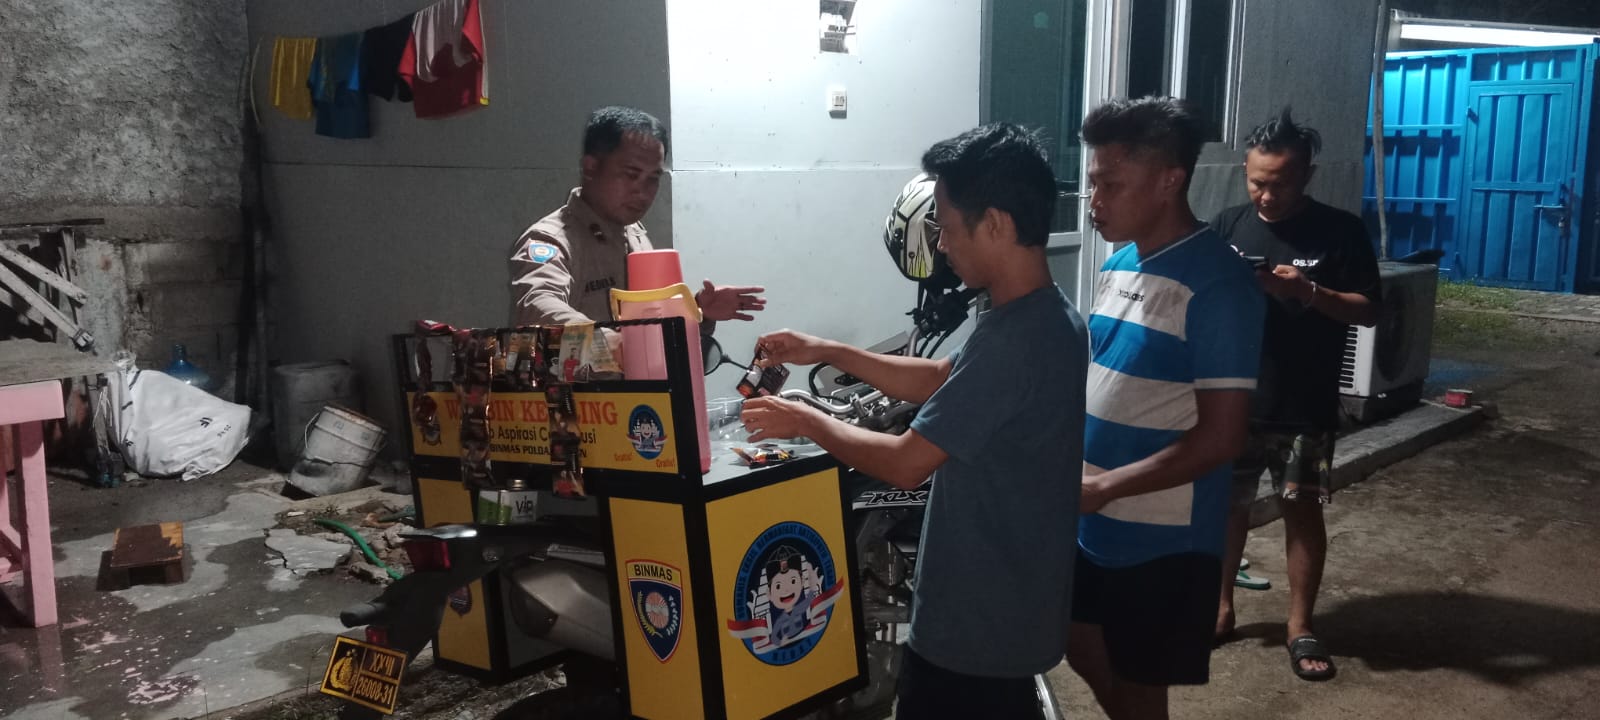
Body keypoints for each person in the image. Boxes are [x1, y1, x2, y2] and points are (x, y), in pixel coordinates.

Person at [739, 123, 1088, 718]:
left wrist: (805, 421)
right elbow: (939, 377)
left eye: (947, 227)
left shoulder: (1018, 340)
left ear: (994, 224)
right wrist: (825, 348)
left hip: (976, 629)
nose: (942, 245)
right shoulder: (1042, 317)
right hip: (1009, 608)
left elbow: (906, 463)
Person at [1066, 96, 1264, 720]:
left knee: (1140, 680)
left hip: (1162, 535)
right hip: (1093, 516)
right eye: (1093, 182)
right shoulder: (1118, 264)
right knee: (1076, 642)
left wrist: (1106, 487)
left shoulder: (1218, 283)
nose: (1094, 201)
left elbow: (1223, 437)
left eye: (1111, 185)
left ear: (1169, 181)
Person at [1211, 107, 1382, 681]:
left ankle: (1300, 626)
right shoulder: (1229, 225)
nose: (1266, 195)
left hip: (1303, 403)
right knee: (1225, 508)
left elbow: (1369, 310)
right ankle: (1219, 610)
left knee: (1301, 511)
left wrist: (1307, 292)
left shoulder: (1341, 230)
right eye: (1256, 182)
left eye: (1280, 184)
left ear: (1306, 175)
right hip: (1234, 399)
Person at [508, 106, 765, 330]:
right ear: (590, 168)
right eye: (631, 174)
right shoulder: (551, 239)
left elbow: (654, 324)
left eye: (653, 178)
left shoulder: (634, 232)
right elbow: (536, 306)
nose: (643, 192)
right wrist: (614, 343)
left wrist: (698, 310)